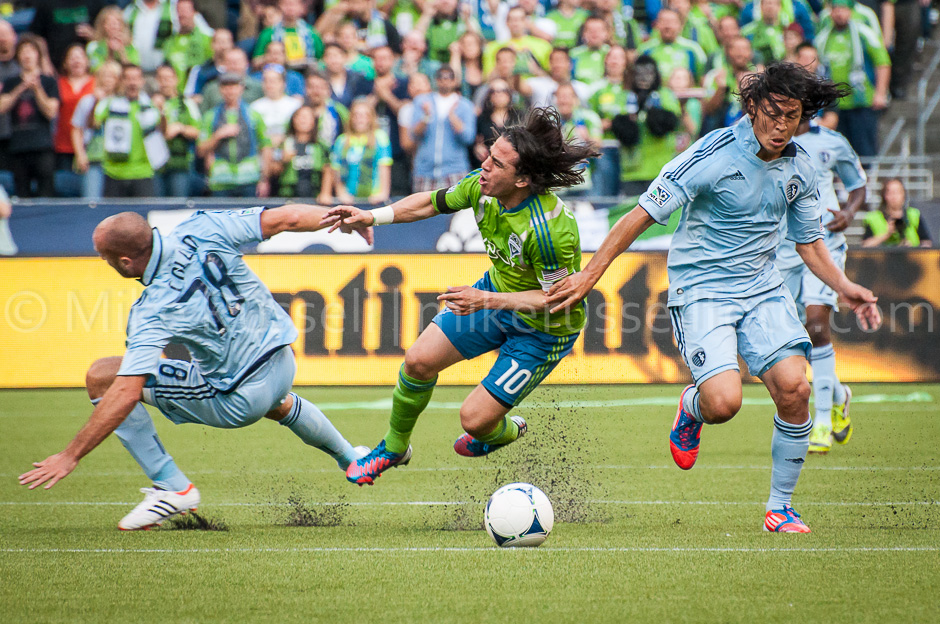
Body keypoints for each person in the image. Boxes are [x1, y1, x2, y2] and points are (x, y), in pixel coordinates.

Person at [546, 63, 881, 533]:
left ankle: (780, 508)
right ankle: (693, 407)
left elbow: (809, 242)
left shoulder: (801, 167)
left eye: (793, 116)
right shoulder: (711, 154)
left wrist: (846, 288)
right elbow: (641, 215)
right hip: (702, 291)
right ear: (752, 107)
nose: (782, 126)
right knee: (723, 404)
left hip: (762, 289)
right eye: (774, 114)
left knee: (795, 389)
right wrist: (589, 275)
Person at [18, 207, 371, 530]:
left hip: (238, 399)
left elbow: (125, 391)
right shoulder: (204, 226)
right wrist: (344, 219)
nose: (102, 260)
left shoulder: (151, 308)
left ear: (125, 262)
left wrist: (70, 455)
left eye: (104, 257)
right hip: (282, 363)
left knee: (101, 377)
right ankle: (351, 458)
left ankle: (172, 487)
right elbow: (286, 219)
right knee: (272, 400)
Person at [325, 107, 598, 486]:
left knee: (474, 421)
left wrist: (485, 301)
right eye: (489, 155)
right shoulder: (482, 187)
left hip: (543, 330)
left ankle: (506, 430)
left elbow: (557, 299)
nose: (484, 166)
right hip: (495, 295)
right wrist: (372, 217)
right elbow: (429, 202)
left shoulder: (551, 231)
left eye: (497, 163)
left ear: (522, 180)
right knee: (418, 361)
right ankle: (394, 448)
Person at [779, 119, 867, 454]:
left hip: (824, 244)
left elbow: (858, 185)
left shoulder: (833, 142)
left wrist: (849, 212)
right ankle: (839, 395)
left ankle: (822, 423)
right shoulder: (768, 140)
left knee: (817, 325)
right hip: (782, 249)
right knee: (791, 336)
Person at [815, 0, 891, 157]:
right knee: (837, 153)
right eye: (836, 9)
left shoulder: (864, 33)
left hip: (861, 101)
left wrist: (880, 93)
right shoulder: (823, 37)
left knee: (865, 152)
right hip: (834, 105)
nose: (839, 14)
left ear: (850, 11)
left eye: (843, 9)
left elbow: (882, 62)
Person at [0, 35, 59, 198]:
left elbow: (51, 112)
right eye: (23, 51)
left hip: (42, 146)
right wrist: (21, 88)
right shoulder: (11, 82)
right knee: (22, 194)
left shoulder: (49, 81)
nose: (27, 55)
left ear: (37, 55)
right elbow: (2, 107)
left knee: (46, 193)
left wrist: (37, 89)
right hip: (18, 146)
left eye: (31, 51)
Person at [95, 63, 166, 198]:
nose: (132, 83)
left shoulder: (150, 105)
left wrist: (162, 112)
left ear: (142, 81)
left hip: (142, 172)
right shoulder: (110, 104)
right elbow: (93, 124)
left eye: (136, 78)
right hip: (114, 172)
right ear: (121, 81)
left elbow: (163, 132)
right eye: (128, 78)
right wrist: (95, 101)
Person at [198, 72, 274, 198]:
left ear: (241, 88)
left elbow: (266, 147)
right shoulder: (210, 116)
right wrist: (218, 135)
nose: (230, 91)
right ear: (220, 89)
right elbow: (201, 150)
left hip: (249, 179)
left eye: (234, 86)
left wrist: (264, 179)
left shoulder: (253, 115)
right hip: (220, 181)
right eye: (226, 86)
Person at [409, 65, 476, 192]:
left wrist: (453, 117)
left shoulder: (465, 105)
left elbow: (468, 138)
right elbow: (414, 135)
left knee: (456, 205)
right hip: (425, 170)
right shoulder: (422, 102)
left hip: (455, 169)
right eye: (441, 77)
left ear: (454, 80)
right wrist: (426, 116)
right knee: (423, 204)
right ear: (436, 80)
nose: (445, 81)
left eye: (449, 77)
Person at [72, 61, 121, 199]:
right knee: (92, 199)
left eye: (111, 76)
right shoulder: (87, 101)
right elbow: (77, 129)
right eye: (104, 76)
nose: (107, 80)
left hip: (117, 159)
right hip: (93, 157)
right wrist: (80, 154)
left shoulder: (122, 101)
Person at [330, 98, 393, 204]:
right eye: (356, 115)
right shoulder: (342, 140)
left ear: (371, 118)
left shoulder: (380, 137)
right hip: (349, 199)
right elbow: (336, 170)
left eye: (364, 115)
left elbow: (384, 167)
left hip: (373, 199)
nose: (360, 119)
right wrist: (341, 193)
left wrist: (383, 193)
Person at [153, 63, 202, 197]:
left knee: (178, 203)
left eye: (168, 78)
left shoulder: (186, 103)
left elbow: (198, 131)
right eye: (161, 79)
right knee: (156, 205)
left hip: (179, 164)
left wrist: (181, 128)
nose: (164, 83)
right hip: (155, 164)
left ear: (176, 79)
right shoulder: (149, 103)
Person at [55, 45, 96, 177]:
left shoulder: (95, 83)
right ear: (65, 63)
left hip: (89, 144)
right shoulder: (58, 84)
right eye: (72, 58)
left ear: (87, 61)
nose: (76, 61)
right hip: (63, 143)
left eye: (80, 57)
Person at [279, 104, 334, 202]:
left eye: (307, 117)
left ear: (314, 122)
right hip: (288, 196)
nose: (303, 120)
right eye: (300, 116)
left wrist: (325, 192)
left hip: (314, 195)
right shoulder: (285, 144)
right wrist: (282, 161)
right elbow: (272, 171)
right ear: (293, 120)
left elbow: (328, 169)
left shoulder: (321, 146)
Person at [637, 8, 708, 84]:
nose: (667, 26)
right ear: (656, 25)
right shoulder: (645, 49)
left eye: (672, 22)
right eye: (663, 21)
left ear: (680, 25)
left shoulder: (693, 49)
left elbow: (703, 78)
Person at [862, 178, 934, 247]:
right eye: (890, 193)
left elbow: (926, 242)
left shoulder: (914, 215)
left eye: (898, 192)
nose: (894, 197)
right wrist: (886, 235)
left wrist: (913, 248)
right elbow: (865, 246)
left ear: (903, 195)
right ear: (885, 196)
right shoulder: (873, 218)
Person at [161, 0, 214, 94]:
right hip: (174, 94)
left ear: (195, 12)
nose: (182, 14)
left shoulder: (207, 39)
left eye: (186, 10)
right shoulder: (169, 42)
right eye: (179, 10)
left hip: (197, 94)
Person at [253, 0, 323, 70]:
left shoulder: (312, 33)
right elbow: (256, 61)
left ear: (302, 7)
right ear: (279, 7)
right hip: (277, 72)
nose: (290, 8)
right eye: (286, 4)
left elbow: (321, 60)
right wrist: (271, 57)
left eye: (294, 4)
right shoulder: (268, 33)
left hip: (306, 72)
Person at [86, 7, 140, 72]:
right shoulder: (93, 46)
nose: (114, 26)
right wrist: (109, 52)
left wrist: (121, 52)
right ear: (103, 26)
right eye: (109, 23)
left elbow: (135, 69)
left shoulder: (132, 45)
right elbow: (95, 69)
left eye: (117, 23)